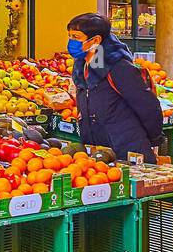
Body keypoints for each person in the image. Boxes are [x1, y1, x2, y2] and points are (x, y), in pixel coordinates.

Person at [65, 13, 165, 162]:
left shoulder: (118, 67)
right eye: (70, 36)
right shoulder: (83, 64)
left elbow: (147, 106)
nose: (71, 41)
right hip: (100, 149)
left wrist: (154, 137)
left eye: (76, 37)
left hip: (127, 150)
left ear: (96, 40)